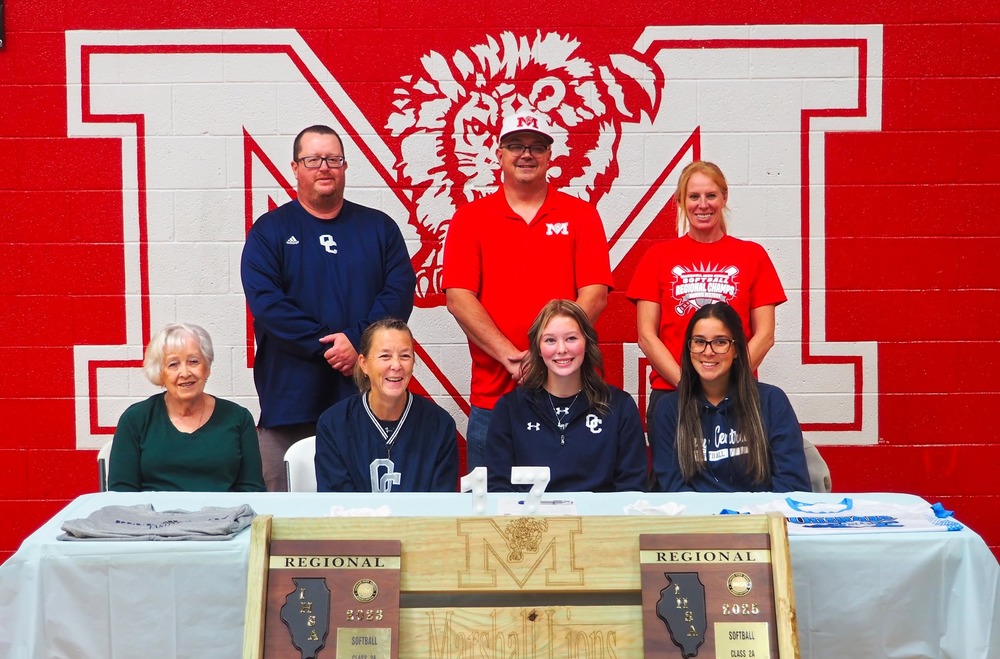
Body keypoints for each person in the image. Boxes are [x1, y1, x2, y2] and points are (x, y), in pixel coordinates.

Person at [241, 125, 417, 491]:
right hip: (289, 406)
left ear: (345, 166)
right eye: (313, 160)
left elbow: (398, 294)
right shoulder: (269, 231)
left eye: (333, 159)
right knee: (285, 513)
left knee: (365, 510)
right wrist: (330, 347)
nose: (324, 167)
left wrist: (357, 342)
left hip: (367, 403)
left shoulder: (379, 228)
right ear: (295, 168)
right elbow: (268, 304)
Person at [443, 110, 613, 470]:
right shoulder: (470, 218)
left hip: (568, 393)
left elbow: (595, 294)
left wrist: (545, 356)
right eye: (516, 145)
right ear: (499, 154)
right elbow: (458, 298)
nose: (526, 154)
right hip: (494, 396)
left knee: (572, 497)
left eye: (537, 147)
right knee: (490, 502)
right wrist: (511, 357)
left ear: (550, 156)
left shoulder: (581, 215)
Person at [626, 161, 785, 439]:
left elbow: (765, 335)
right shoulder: (657, 257)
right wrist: (688, 386)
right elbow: (646, 336)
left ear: (724, 197)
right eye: (693, 196)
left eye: (711, 195)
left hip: (736, 394)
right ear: (680, 201)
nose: (703, 204)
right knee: (672, 469)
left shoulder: (753, 256)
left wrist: (725, 384)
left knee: (740, 467)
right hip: (673, 393)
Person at [486, 300, 647, 492]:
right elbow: (499, 486)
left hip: (598, 512)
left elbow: (632, 486)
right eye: (550, 340)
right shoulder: (510, 408)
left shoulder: (620, 406)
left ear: (586, 343)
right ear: (538, 348)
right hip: (531, 511)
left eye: (571, 338)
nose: (561, 349)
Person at [650, 302, 810, 492]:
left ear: (736, 350)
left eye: (720, 342)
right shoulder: (668, 409)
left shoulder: (771, 402)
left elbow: (791, 485)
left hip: (760, 511)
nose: (708, 352)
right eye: (699, 341)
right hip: (695, 511)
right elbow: (673, 489)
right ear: (689, 347)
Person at [108, 323, 265, 492]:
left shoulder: (239, 418)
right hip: (154, 510)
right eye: (173, 364)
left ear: (207, 368)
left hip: (223, 510)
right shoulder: (135, 419)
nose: (185, 373)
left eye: (193, 362)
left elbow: (252, 490)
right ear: (160, 373)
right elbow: (122, 493)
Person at [315, 319, 458, 492]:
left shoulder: (440, 424)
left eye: (405, 356)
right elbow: (336, 500)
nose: (396, 365)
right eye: (385, 356)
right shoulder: (333, 423)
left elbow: (441, 500)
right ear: (363, 364)